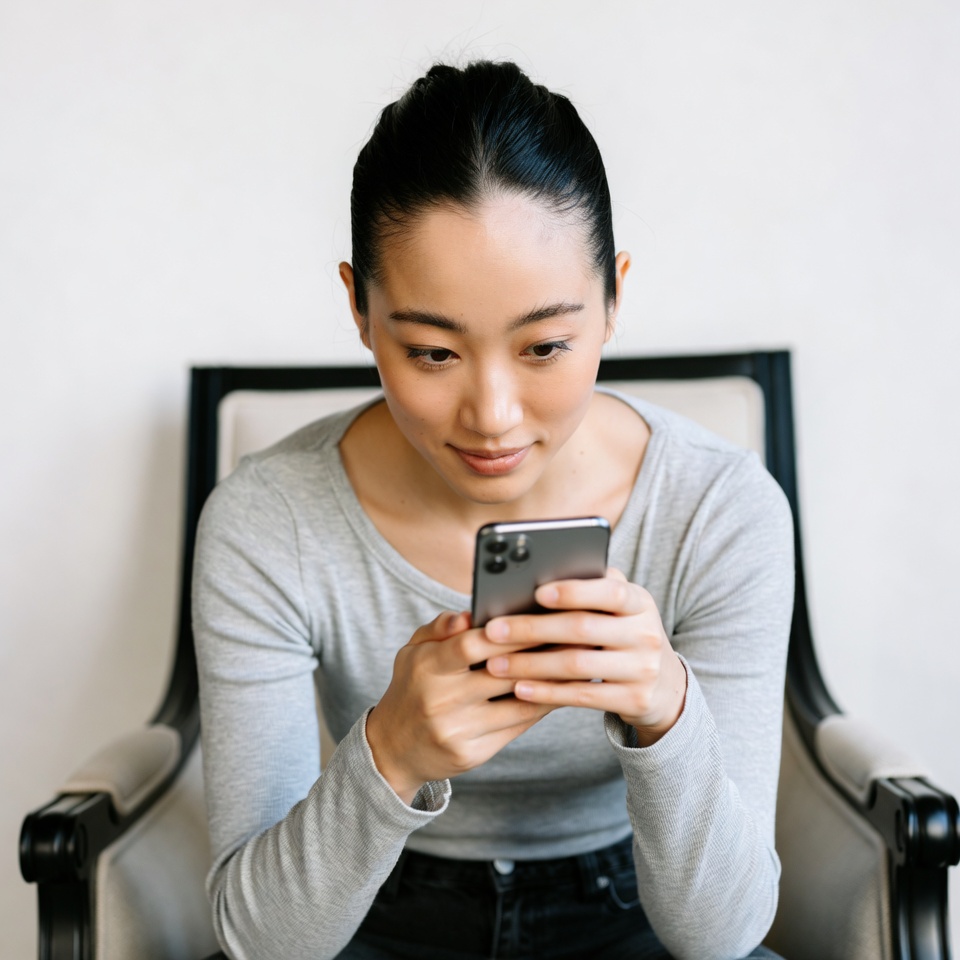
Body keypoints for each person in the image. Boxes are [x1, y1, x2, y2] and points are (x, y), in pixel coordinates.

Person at [193, 60, 794, 960]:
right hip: (370, 910)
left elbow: (723, 939)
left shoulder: (719, 508)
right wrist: (390, 752)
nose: (493, 417)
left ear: (616, 296)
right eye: (434, 352)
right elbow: (260, 943)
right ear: (359, 307)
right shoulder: (266, 520)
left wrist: (668, 715)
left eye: (546, 344)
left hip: (636, 906)